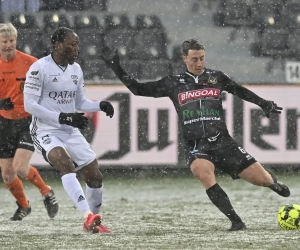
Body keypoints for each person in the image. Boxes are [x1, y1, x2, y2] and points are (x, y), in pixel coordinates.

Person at [99, 38, 290, 231]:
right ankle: (236, 222)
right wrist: (117, 67)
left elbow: (240, 91)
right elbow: (138, 89)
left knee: (262, 180)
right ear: (184, 59)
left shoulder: (217, 77)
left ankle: (273, 183)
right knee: (204, 173)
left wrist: (263, 103)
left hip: (224, 142)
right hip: (197, 146)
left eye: (202, 58)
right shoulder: (173, 83)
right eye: (194, 59)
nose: (199, 64)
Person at [23, 27, 114, 233]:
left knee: (95, 176)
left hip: (69, 129)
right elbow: (30, 105)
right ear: (58, 44)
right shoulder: (39, 68)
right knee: (65, 164)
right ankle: (88, 216)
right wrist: (62, 116)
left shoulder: (76, 70)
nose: (77, 49)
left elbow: (80, 102)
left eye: (78, 45)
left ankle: (92, 223)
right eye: (72, 45)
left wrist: (100, 105)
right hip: (45, 130)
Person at [0, 23, 59, 220]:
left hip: (28, 121)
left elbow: (50, 86)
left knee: (19, 167)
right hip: (4, 123)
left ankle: (46, 192)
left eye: (11, 41)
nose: (9, 45)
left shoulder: (31, 63)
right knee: (7, 175)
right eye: (4, 41)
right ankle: (24, 206)